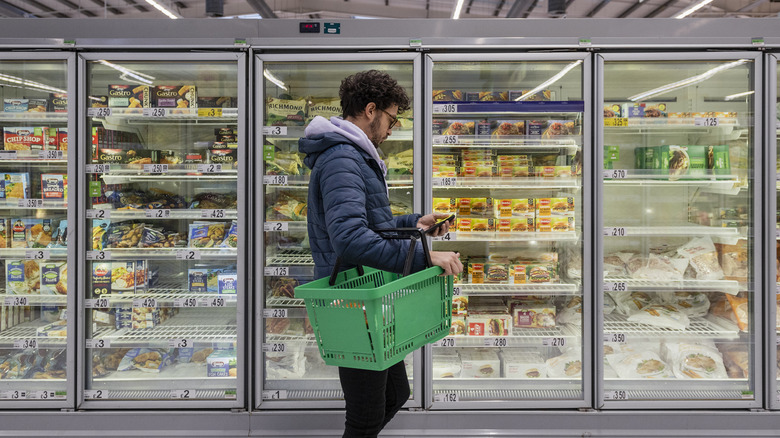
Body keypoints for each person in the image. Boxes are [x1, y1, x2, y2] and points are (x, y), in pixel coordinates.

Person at [299, 70, 463, 438]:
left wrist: (413, 225)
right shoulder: (342, 158)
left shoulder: (354, 154)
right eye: (392, 118)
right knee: (365, 418)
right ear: (371, 110)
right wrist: (425, 257)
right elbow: (350, 238)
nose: (393, 128)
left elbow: (368, 223)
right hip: (351, 299)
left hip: (367, 292)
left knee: (395, 394)